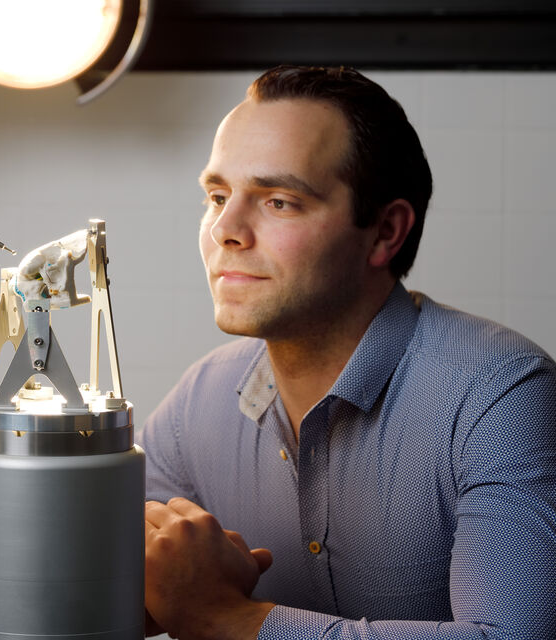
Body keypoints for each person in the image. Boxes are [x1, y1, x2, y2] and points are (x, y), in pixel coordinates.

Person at [139, 65, 556, 640]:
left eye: (279, 201)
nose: (225, 229)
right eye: (217, 195)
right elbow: (110, 582)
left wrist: (231, 618)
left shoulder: (499, 396)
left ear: (385, 231)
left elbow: (512, 639)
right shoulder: (198, 404)